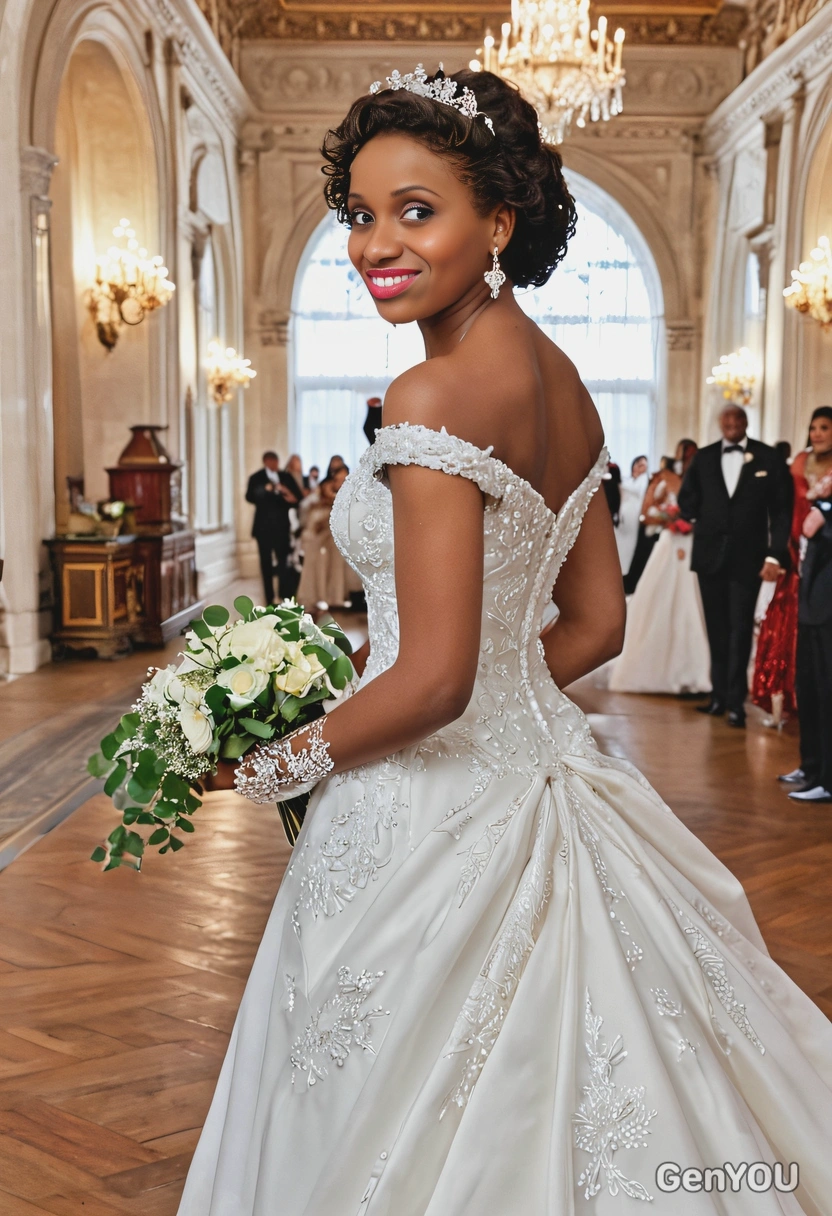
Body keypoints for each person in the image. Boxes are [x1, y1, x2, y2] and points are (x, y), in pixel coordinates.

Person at [179, 67, 832, 1215]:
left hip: (426, 811)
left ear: (499, 220)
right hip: (542, 772)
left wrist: (276, 764)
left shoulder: (433, 394)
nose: (376, 243)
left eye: (416, 210)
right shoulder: (564, 385)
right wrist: (478, 691)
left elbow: (433, 681)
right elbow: (596, 623)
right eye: (361, 213)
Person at [678, 404, 793, 727]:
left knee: (740, 629)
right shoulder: (703, 458)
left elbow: (782, 510)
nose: (731, 423)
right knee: (716, 629)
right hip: (709, 556)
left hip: (749, 558)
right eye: (726, 418)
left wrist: (775, 554)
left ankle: (735, 703)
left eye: (737, 418)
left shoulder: (768, 457)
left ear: (745, 421)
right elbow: (686, 500)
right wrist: (706, 516)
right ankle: (718, 696)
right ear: (719, 422)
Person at [609, 439, 710, 694]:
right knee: (661, 597)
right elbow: (647, 513)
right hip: (669, 542)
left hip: (692, 544)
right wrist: (669, 518)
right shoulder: (663, 479)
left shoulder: (702, 479)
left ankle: (697, 668)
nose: (687, 460)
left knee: (692, 602)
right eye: (685, 455)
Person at [752, 407, 832, 726]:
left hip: (826, 561)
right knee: (787, 630)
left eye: (824, 427)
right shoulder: (799, 462)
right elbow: (785, 509)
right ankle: (787, 697)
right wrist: (781, 552)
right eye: (813, 428)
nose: (817, 433)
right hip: (797, 557)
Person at [296, 464, 359, 611]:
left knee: (336, 568)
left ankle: (335, 597)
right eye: (337, 480)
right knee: (318, 567)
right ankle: (320, 598)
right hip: (319, 542)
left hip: (339, 542)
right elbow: (309, 521)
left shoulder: (350, 497)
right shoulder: (316, 503)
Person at [245, 451, 302, 605]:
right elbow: (249, 497)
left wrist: (284, 491)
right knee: (266, 564)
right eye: (271, 461)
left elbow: (298, 498)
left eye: (275, 461)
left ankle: (284, 595)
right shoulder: (256, 478)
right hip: (263, 528)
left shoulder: (285, 477)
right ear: (265, 462)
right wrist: (265, 489)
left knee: (284, 563)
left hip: (282, 526)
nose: (274, 464)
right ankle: (269, 598)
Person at [615, 454, 648, 578]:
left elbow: (636, 491)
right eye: (638, 464)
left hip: (633, 515)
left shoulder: (643, 479)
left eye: (643, 465)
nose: (640, 467)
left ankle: (625, 571)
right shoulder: (629, 479)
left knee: (629, 544)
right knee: (619, 542)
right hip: (623, 514)